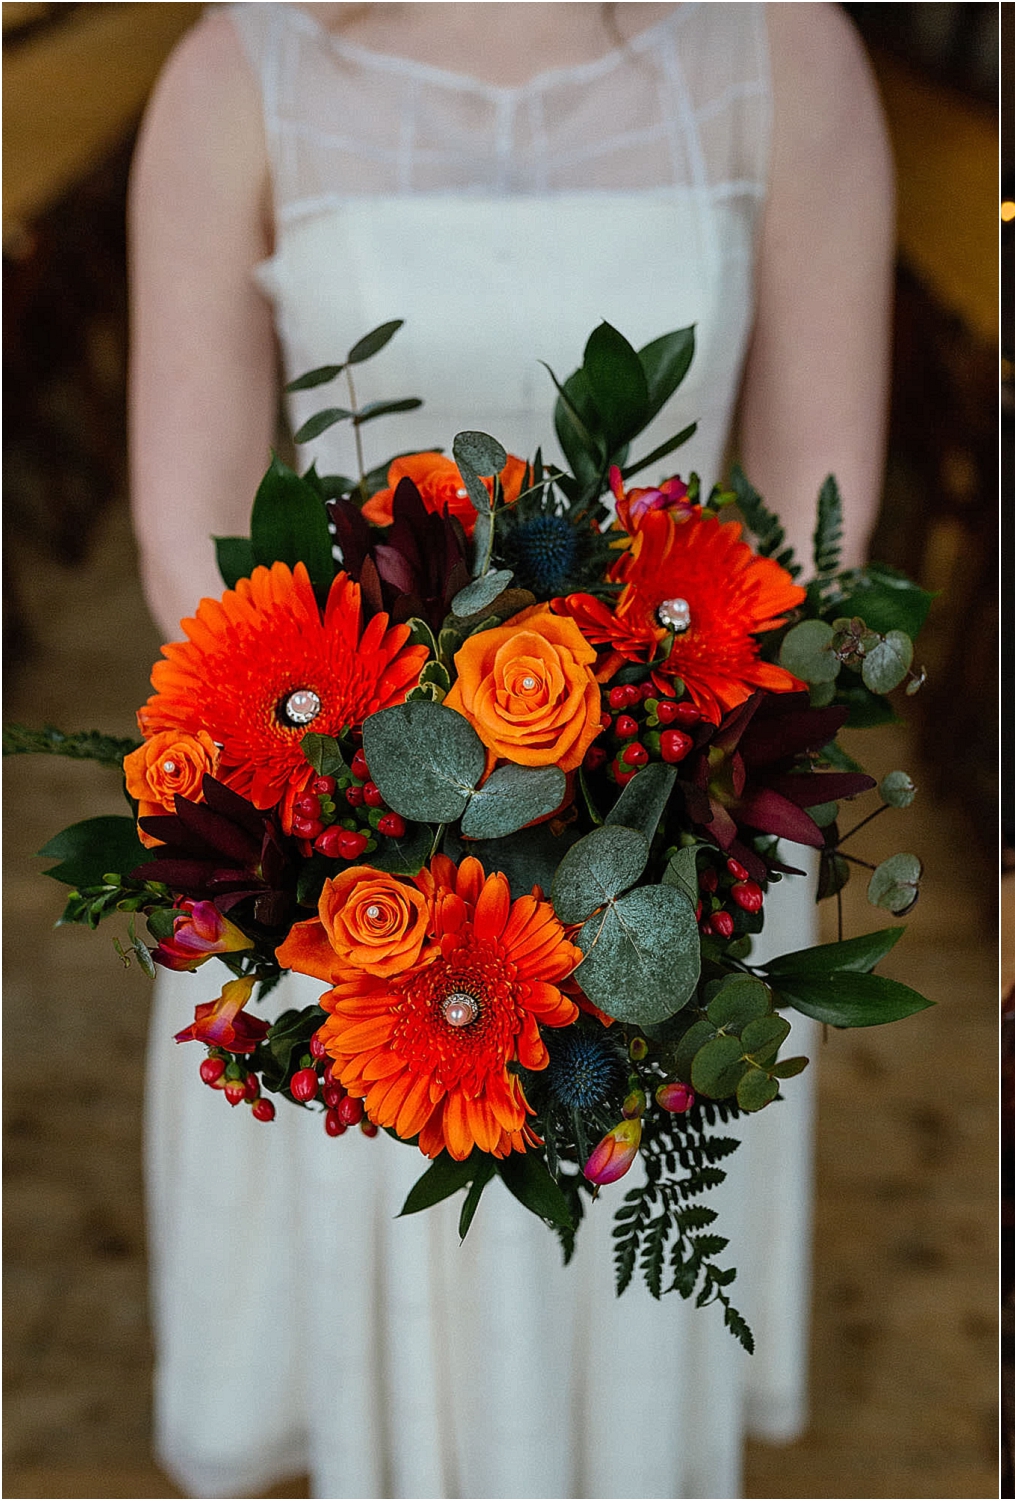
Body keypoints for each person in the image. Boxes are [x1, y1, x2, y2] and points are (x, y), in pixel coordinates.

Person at [125, 4, 892, 1494]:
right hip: (338, 817)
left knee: (614, 1303)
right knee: (369, 1266)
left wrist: (628, 781)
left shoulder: (784, 53)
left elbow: (815, 531)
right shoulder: (237, 73)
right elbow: (195, 541)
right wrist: (378, 803)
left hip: (668, 805)